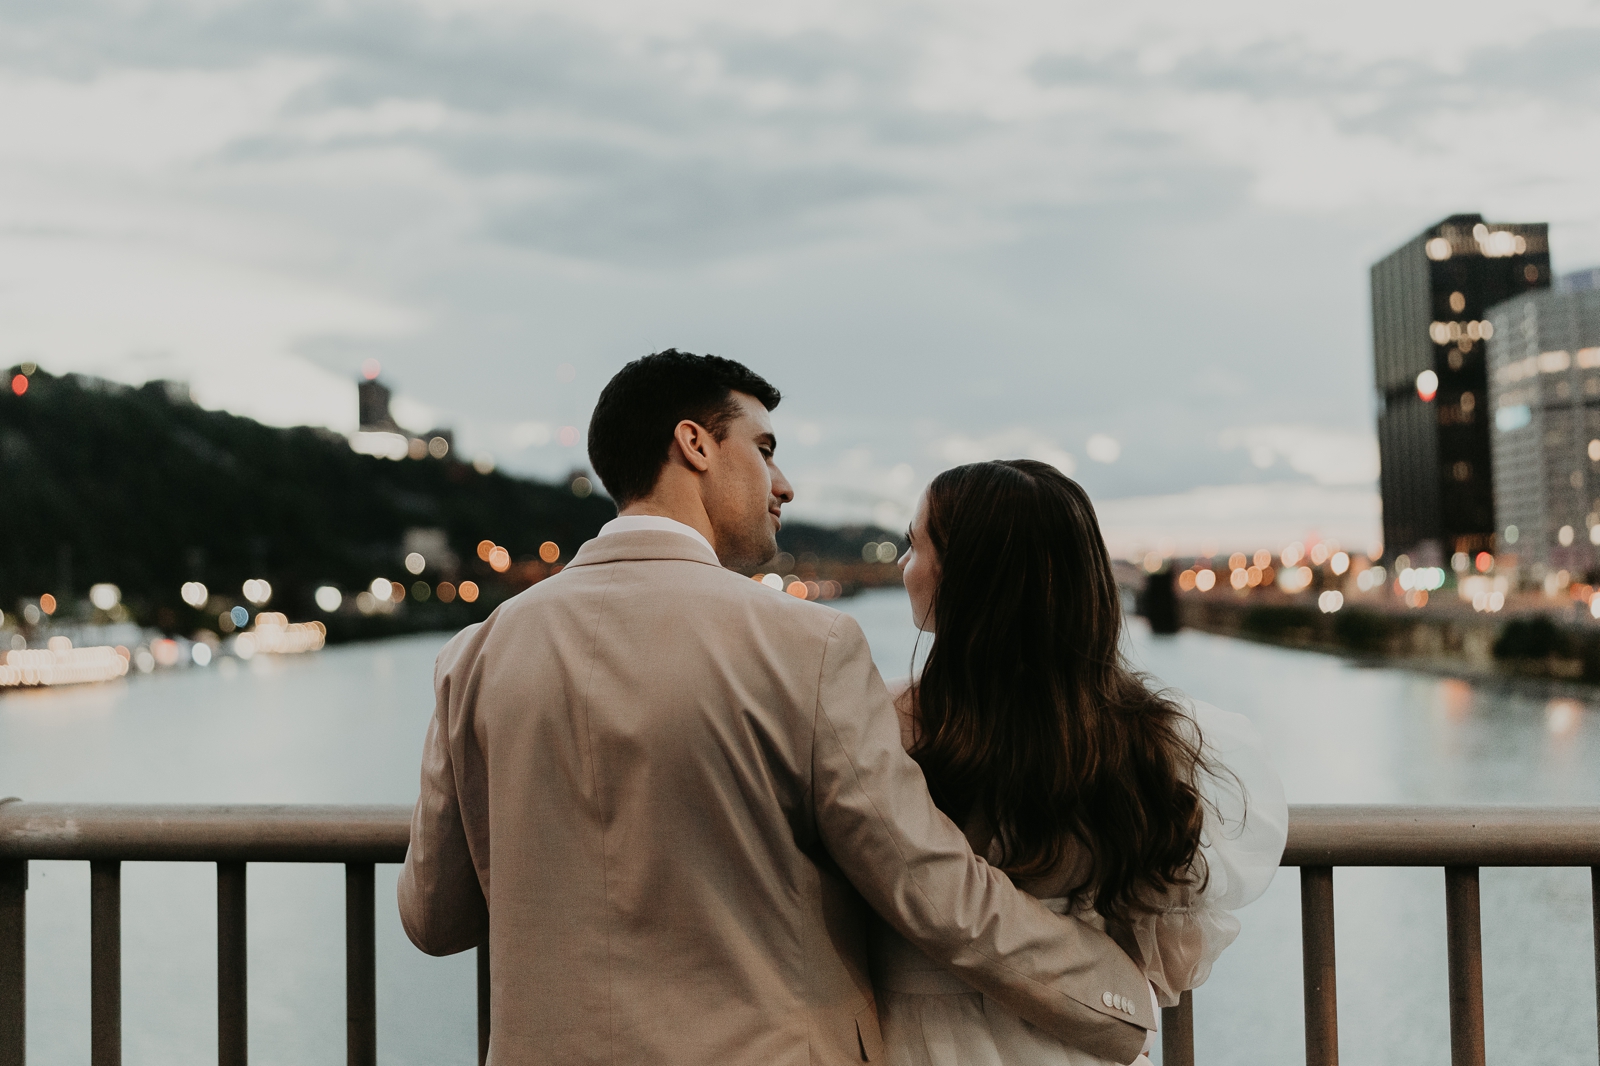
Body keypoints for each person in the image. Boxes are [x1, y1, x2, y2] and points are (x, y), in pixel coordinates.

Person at [398, 351, 1158, 1065]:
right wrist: (1115, 993)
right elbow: (930, 889)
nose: (783, 483)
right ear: (694, 444)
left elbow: (435, 919)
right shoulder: (810, 644)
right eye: (764, 450)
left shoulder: (475, 655)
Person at [875, 459, 1288, 1066]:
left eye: (915, 546)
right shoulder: (1140, 740)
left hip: (920, 1041)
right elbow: (1167, 949)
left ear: (968, 574)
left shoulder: (886, 724)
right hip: (1074, 1037)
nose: (906, 568)